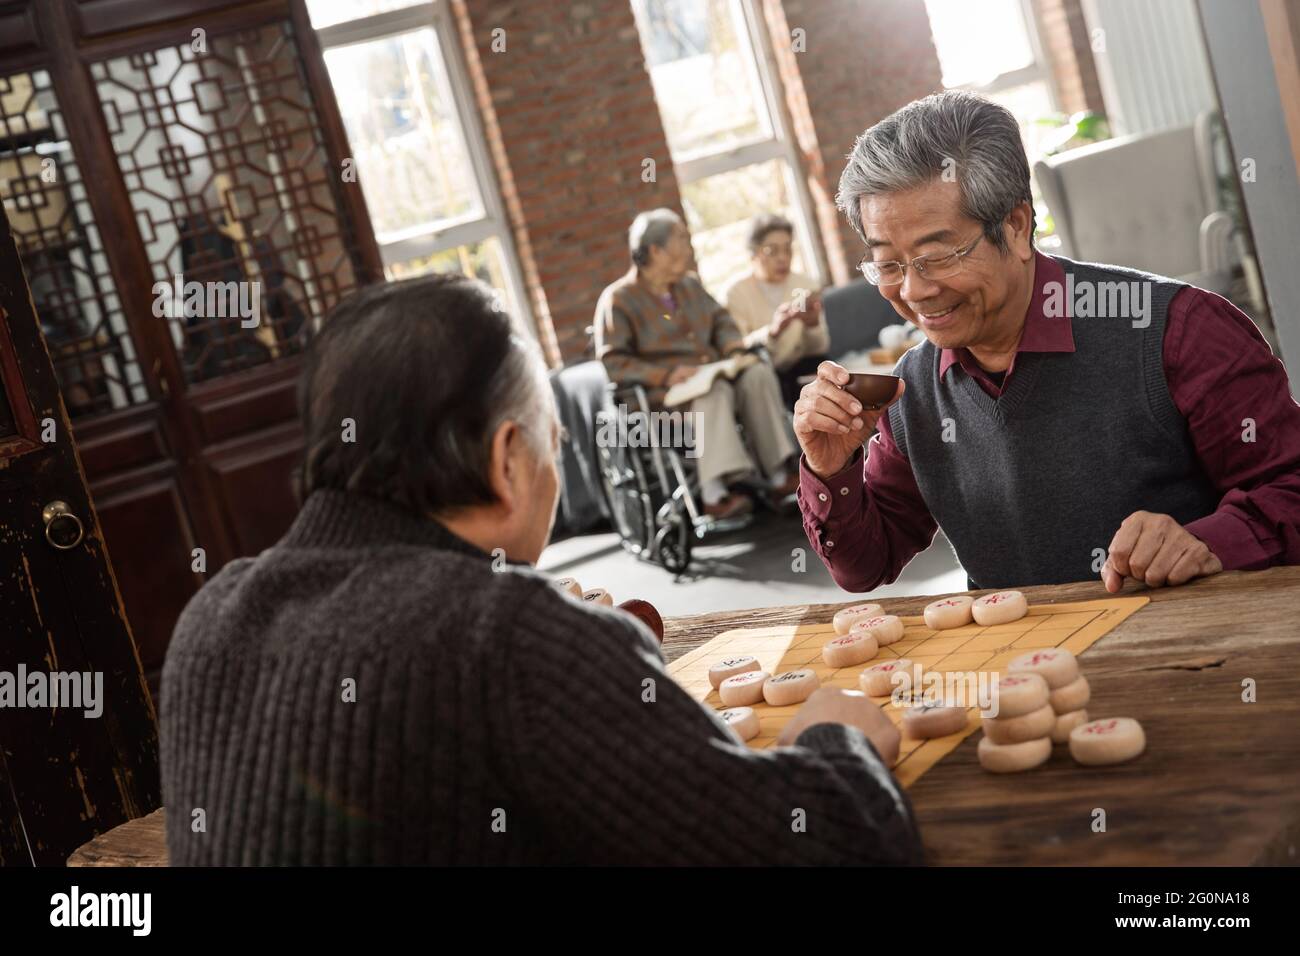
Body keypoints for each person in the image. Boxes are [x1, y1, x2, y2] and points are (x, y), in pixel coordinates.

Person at [161, 272, 922, 866]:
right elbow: (828, 846)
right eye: (552, 443)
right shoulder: (512, 637)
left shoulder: (209, 618)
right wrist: (838, 740)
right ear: (506, 461)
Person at [795, 90, 1300, 592]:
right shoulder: (914, 390)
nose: (912, 290)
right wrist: (830, 467)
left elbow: (1290, 490)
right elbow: (866, 567)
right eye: (888, 264)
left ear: (1016, 227)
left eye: (939, 257)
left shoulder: (1178, 330)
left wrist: (1204, 542)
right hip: (1018, 647)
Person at [595, 208, 800, 517]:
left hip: (712, 377)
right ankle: (714, 494)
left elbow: (721, 322)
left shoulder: (689, 285)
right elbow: (614, 363)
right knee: (712, 392)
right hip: (662, 401)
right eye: (681, 238)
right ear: (656, 250)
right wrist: (665, 375)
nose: (688, 246)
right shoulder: (618, 300)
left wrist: (733, 349)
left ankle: (777, 475)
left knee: (756, 373)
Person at [724, 213, 830, 405]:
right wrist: (773, 332)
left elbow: (819, 349)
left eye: (788, 249)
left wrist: (812, 325)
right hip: (761, 373)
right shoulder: (736, 293)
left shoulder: (805, 285)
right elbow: (737, 349)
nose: (783, 258)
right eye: (772, 251)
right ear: (753, 254)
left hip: (800, 370)